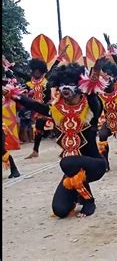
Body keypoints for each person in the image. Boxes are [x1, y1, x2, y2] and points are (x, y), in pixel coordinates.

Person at [8, 59, 108, 217]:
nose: (65, 87)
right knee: (60, 210)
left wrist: (95, 71)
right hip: (71, 169)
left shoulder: (90, 108)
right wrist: (11, 94)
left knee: (67, 161)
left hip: (94, 165)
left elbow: (92, 94)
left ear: (80, 86)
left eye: (70, 83)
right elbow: (33, 104)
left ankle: (89, 201)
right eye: (62, 84)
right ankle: (78, 193)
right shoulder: (56, 110)